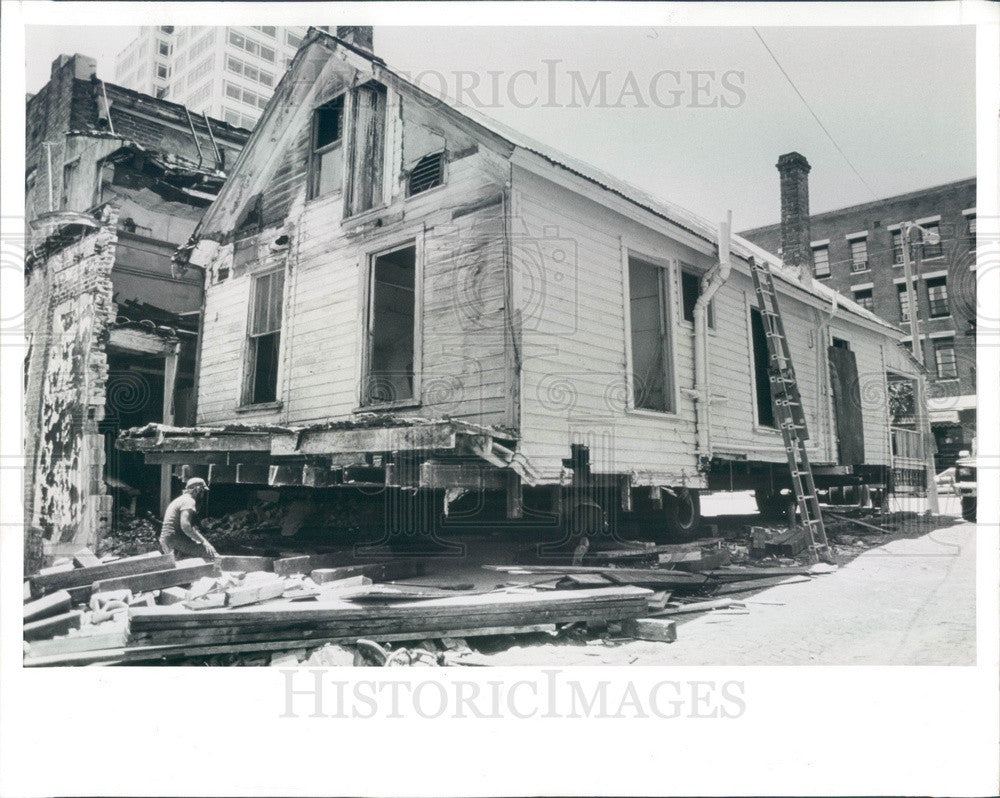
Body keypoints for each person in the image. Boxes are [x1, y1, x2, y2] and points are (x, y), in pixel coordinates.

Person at [160, 477, 218, 560]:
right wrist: (204, 542)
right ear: (197, 490)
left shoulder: (181, 499)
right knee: (212, 554)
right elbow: (186, 527)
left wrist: (203, 540)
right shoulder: (189, 501)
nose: (203, 494)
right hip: (175, 539)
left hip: (168, 539)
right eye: (202, 491)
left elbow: (191, 528)